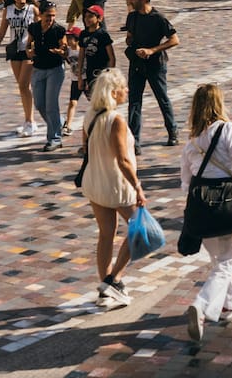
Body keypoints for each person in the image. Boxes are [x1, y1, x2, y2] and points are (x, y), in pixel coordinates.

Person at [181, 83, 232, 340]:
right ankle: (202, 304)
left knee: (218, 261)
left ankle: (230, 304)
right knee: (228, 262)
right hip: (229, 202)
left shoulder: (191, 141)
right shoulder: (227, 129)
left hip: (202, 206)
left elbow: (185, 181)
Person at [79, 68, 144, 307]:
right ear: (114, 92)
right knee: (138, 229)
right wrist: (137, 186)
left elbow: (85, 147)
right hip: (116, 184)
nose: (127, 90)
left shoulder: (90, 115)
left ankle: (105, 288)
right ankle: (114, 279)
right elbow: (123, 159)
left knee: (106, 234)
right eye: (123, 88)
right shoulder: (115, 120)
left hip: (95, 182)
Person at [124, 0, 180, 152]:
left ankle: (172, 130)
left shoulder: (158, 18)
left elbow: (175, 39)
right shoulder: (132, 17)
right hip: (136, 64)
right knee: (134, 101)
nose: (131, 1)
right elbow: (130, 36)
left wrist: (152, 50)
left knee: (162, 98)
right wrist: (130, 42)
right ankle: (134, 140)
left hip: (156, 64)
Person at [0, 0, 39, 136]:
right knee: (22, 88)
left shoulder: (32, 10)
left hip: (28, 51)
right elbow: (2, 32)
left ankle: (30, 121)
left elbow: (40, 30)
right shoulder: (8, 11)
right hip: (14, 50)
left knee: (23, 85)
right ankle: (28, 120)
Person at [28, 0, 68, 152]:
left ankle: (55, 138)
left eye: (53, 16)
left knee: (51, 105)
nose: (50, 19)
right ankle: (60, 121)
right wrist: (29, 52)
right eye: (48, 16)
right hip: (38, 69)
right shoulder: (33, 28)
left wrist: (62, 52)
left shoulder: (59, 30)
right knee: (39, 104)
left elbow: (64, 50)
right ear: (41, 15)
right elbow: (28, 45)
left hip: (55, 69)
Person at [78, 5, 116, 98]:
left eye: (90, 16)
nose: (87, 19)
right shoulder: (83, 34)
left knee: (103, 99)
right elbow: (81, 55)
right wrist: (80, 76)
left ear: (99, 18)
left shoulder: (103, 34)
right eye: (85, 16)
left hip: (102, 72)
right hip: (90, 72)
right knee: (93, 99)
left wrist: (110, 74)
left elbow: (112, 57)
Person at [62, 27, 83, 136]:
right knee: (72, 102)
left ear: (77, 39)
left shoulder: (82, 50)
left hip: (85, 79)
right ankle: (68, 125)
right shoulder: (68, 51)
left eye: (70, 38)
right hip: (75, 80)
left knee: (95, 102)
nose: (67, 40)